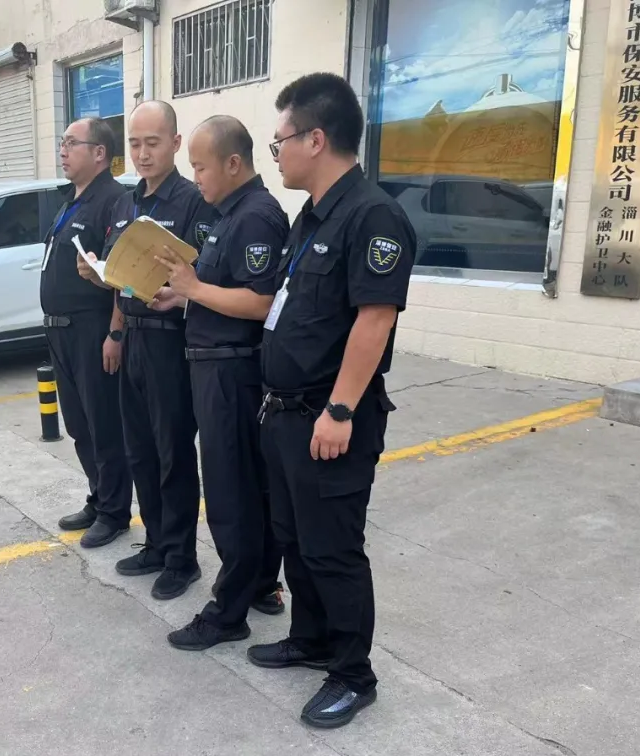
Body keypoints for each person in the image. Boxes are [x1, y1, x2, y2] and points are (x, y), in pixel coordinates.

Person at [248, 73, 415, 729]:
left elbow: (375, 319)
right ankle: (311, 638)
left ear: (315, 139)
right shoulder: (312, 216)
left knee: (333, 549)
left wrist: (341, 410)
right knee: (295, 539)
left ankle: (352, 674)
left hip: (329, 417)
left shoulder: (372, 216)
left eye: (279, 141)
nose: (277, 154)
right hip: (285, 415)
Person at [153, 115, 288, 650]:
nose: (197, 178)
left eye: (201, 167)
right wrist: (183, 296)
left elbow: (261, 302)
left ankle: (228, 612)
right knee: (247, 487)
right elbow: (222, 291)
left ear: (233, 163)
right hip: (215, 364)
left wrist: (192, 287)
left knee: (232, 493)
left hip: (232, 372)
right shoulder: (230, 214)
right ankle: (259, 584)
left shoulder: (255, 217)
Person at [77, 100, 215, 600]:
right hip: (132, 334)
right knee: (139, 449)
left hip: (169, 340)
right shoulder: (125, 203)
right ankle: (156, 542)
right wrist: (106, 299)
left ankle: (182, 558)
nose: (142, 153)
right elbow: (123, 278)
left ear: (175, 143)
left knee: (172, 450)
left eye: (152, 143)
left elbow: (202, 275)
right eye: (134, 144)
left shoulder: (192, 202)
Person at [45, 117, 134, 548]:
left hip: (92, 329)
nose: (62, 151)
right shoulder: (71, 201)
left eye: (71, 143)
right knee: (79, 424)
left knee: (103, 425)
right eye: (62, 143)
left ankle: (115, 511)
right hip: (61, 332)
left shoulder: (114, 201)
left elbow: (121, 274)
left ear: (99, 153)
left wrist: (115, 332)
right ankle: (98, 498)